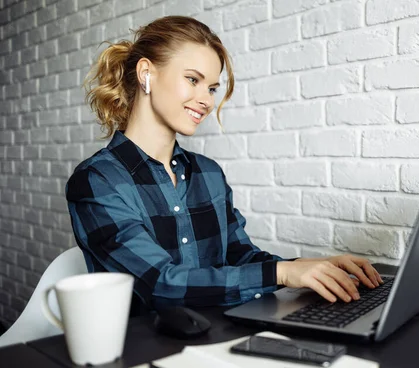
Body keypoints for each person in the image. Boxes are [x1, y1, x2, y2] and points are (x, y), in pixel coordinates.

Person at [65, 15, 383, 313]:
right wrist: (283, 273)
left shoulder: (208, 173)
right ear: (147, 73)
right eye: (193, 80)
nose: (207, 100)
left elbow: (238, 255)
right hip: (144, 349)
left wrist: (311, 268)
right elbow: (159, 284)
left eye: (212, 88)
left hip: (217, 337)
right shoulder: (97, 180)